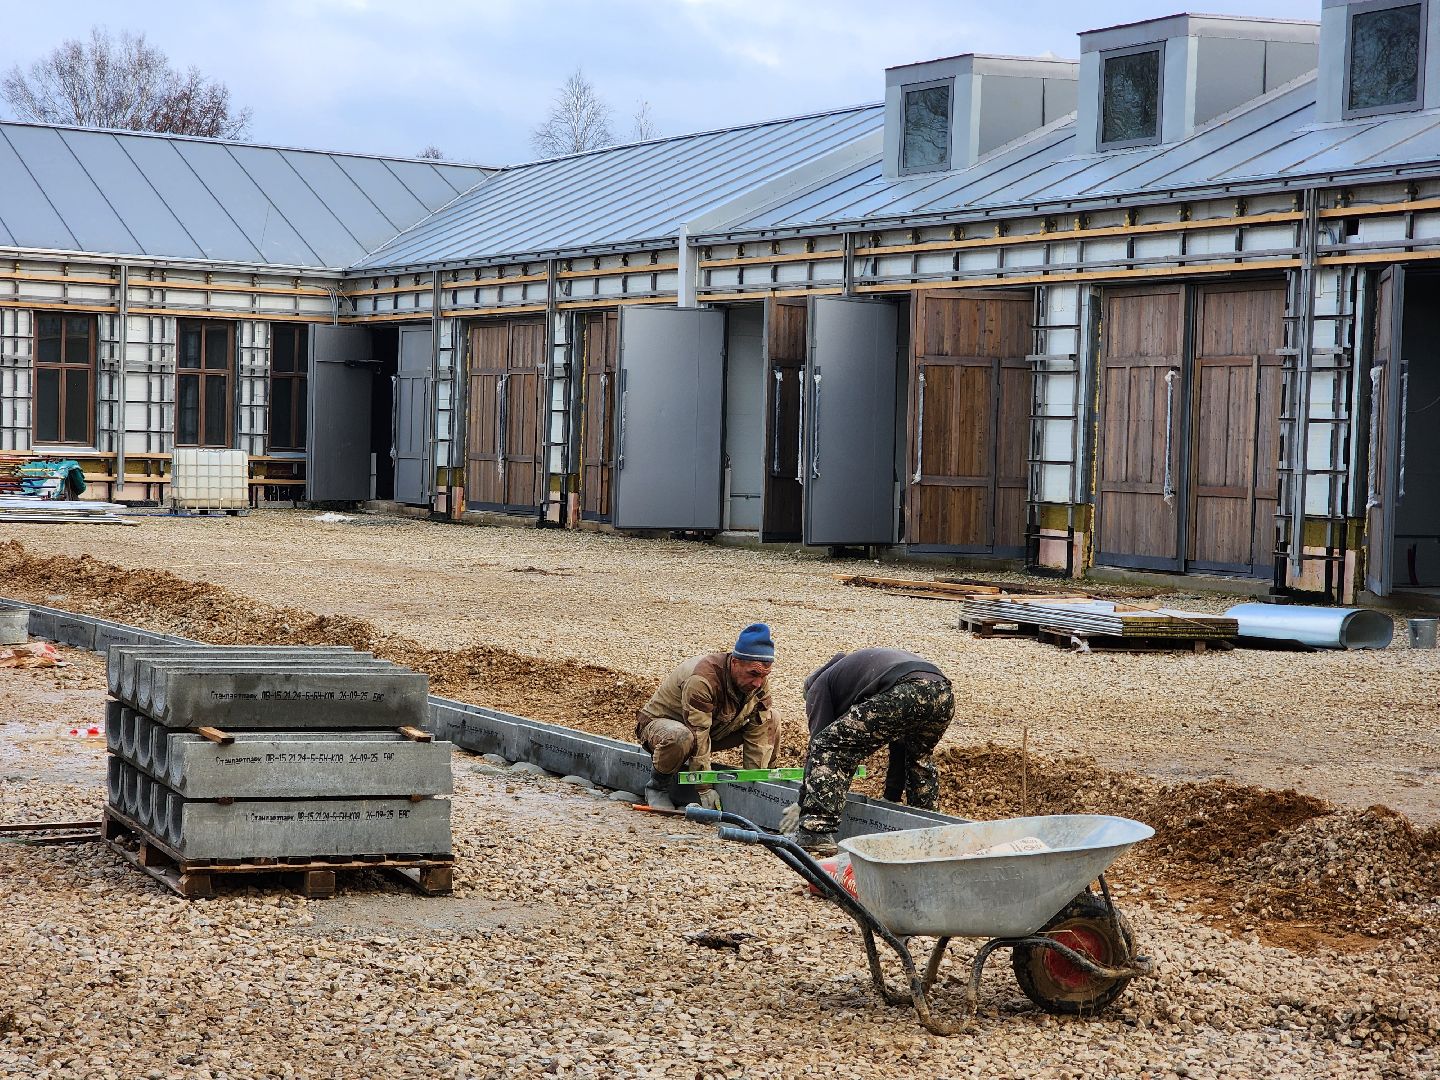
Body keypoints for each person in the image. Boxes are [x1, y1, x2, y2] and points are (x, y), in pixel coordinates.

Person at [780, 647, 954, 855]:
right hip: (942, 692)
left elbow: (819, 747)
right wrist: (891, 798)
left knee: (829, 744)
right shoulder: (851, 676)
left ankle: (816, 832)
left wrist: (802, 804)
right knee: (918, 757)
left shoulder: (817, 687)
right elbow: (899, 742)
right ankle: (929, 835)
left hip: (905, 688)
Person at [635, 622, 780, 811]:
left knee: (772, 718)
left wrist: (754, 785)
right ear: (735, 662)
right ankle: (657, 787)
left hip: (712, 729)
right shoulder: (702, 679)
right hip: (662, 729)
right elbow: (698, 733)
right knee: (681, 736)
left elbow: (758, 732)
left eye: (764, 675)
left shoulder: (757, 683)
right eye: (753, 674)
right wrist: (704, 788)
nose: (758, 683)